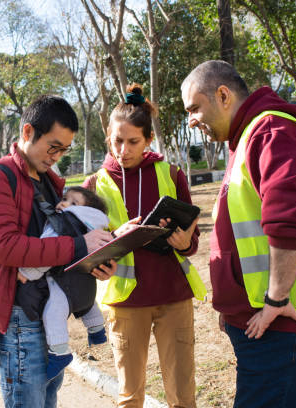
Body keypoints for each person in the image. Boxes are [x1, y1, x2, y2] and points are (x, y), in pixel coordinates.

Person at [180, 60, 296, 408]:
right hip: (269, 322)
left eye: (195, 107)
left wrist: (275, 299)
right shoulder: (247, 137)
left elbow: (288, 221)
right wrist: (232, 306)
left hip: (287, 323)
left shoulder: (271, 130)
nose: (192, 119)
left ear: (223, 95)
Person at [0, 95, 117, 408]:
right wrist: (80, 246)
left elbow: (61, 244)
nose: (57, 156)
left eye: (64, 150)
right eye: (53, 147)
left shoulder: (50, 183)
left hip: (49, 315)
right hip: (19, 317)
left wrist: (94, 262)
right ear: (27, 132)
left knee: (47, 401)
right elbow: (5, 247)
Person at [83, 84, 207, 408]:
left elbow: (192, 236)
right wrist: (114, 237)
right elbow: (84, 249)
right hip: (124, 304)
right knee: (129, 397)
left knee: (183, 397)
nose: (123, 149)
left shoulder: (172, 174)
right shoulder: (94, 186)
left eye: (133, 142)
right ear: (107, 137)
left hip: (173, 297)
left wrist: (185, 243)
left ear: (149, 140)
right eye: (117, 141)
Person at [19, 186, 109, 380]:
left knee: (53, 312)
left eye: (73, 203)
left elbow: (47, 251)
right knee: (90, 305)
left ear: (85, 210)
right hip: (86, 285)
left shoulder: (61, 221)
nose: (64, 203)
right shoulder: (95, 227)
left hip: (62, 284)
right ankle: (97, 331)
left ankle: (60, 352)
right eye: (65, 198)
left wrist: (27, 272)